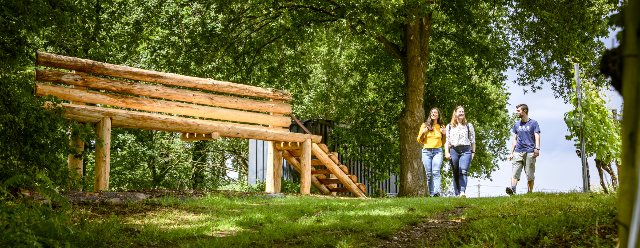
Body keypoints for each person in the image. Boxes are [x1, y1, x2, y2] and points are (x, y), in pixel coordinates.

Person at [506, 104, 540, 195]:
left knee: (530, 173)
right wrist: (511, 153)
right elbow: (515, 139)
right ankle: (513, 190)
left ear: (524, 111)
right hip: (518, 151)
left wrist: (537, 148)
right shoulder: (516, 125)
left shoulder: (534, 123)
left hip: (530, 152)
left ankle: (529, 193)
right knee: (515, 172)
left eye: (518, 110)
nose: (516, 112)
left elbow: (537, 136)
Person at [444, 106, 476, 198]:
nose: (462, 113)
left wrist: (473, 153)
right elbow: (447, 141)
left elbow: (473, 140)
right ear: (455, 113)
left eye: (463, 111)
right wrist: (447, 152)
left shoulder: (468, 125)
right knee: (455, 172)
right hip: (454, 150)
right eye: (460, 111)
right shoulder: (449, 126)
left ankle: (462, 192)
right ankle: (457, 193)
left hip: (466, 150)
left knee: (463, 171)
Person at [417, 108, 446, 197]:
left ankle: (437, 192)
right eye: (432, 112)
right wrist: (423, 132)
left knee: (436, 172)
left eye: (435, 113)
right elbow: (419, 140)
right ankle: (432, 194)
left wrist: (444, 134)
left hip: (438, 151)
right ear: (430, 115)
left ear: (438, 115)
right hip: (426, 152)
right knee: (429, 174)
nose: (434, 114)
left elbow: (443, 142)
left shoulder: (441, 126)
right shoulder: (424, 126)